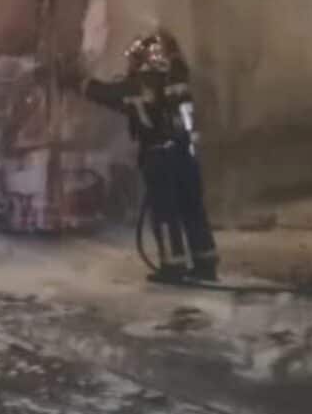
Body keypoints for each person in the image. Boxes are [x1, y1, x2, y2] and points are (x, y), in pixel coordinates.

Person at [62, 29, 219, 282]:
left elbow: (107, 94)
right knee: (192, 208)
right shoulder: (177, 78)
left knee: (165, 212)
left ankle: (173, 266)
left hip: (159, 156)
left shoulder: (141, 84)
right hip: (186, 153)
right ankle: (206, 263)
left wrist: (77, 82)